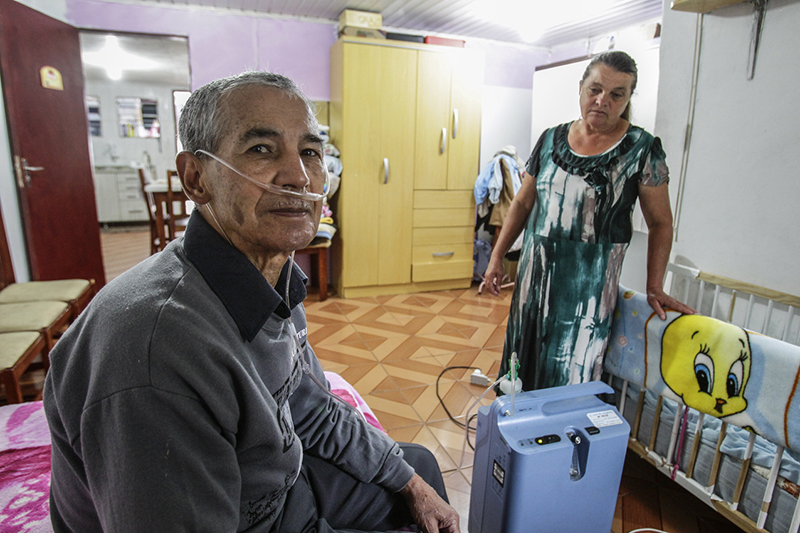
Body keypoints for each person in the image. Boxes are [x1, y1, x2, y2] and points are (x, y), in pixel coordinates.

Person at [43, 71, 459, 533]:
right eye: (261, 149)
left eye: (310, 152)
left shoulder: (272, 275)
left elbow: (308, 407)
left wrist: (409, 483)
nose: (299, 177)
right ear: (196, 178)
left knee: (419, 468)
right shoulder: (157, 357)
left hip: (276, 492)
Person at [483, 51, 694, 392]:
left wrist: (655, 285)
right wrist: (497, 257)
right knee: (520, 368)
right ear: (580, 87)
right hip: (534, 281)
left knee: (573, 374)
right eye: (595, 89)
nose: (602, 101)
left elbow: (660, 223)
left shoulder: (641, 149)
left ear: (627, 99)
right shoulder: (550, 139)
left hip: (589, 291)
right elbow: (522, 202)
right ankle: (515, 437)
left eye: (617, 94)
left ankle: (563, 442)